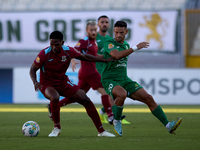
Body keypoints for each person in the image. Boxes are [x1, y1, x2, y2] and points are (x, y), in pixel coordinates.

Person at [101, 21, 182, 136]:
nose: (118, 35)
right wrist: (136, 47)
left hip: (124, 79)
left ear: (126, 32)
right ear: (113, 32)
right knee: (122, 94)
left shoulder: (126, 45)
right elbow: (116, 55)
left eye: (121, 32)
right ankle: (117, 120)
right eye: (116, 32)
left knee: (148, 98)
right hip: (109, 79)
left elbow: (120, 55)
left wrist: (131, 48)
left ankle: (168, 125)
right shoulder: (109, 43)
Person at [29, 30, 115, 137]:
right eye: (51, 44)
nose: (54, 47)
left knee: (86, 100)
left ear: (62, 43)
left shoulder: (68, 51)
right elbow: (32, 69)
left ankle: (101, 131)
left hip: (63, 82)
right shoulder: (44, 53)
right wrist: (35, 82)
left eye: (57, 44)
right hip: (47, 84)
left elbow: (85, 57)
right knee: (55, 97)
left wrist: (105, 60)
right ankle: (56, 128)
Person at [57, 20, 115, 124]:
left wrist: (104, 57)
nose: (93, 32)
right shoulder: (84, 41)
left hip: (85, 73)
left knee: (79, 95)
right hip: (90, 72)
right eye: (91, 30)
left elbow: (94, 55)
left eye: (95, 30)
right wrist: (73, 60)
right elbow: (73, 50)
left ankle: (56, 105)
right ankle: (111, 116)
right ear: (86, 31)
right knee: (105, 92)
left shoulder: (94, 42)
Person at [95, 15, 130, 124]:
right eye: (102, 22)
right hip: (94, 70)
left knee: (79, 95)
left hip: (106, 69)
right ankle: (113, 117)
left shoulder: (110, 40)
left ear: (109, 25)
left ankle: (104, 113)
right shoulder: (93, 38)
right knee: (110, 93)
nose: (104, 24)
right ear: (98, 24)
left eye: (106, 22)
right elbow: (83, 52)